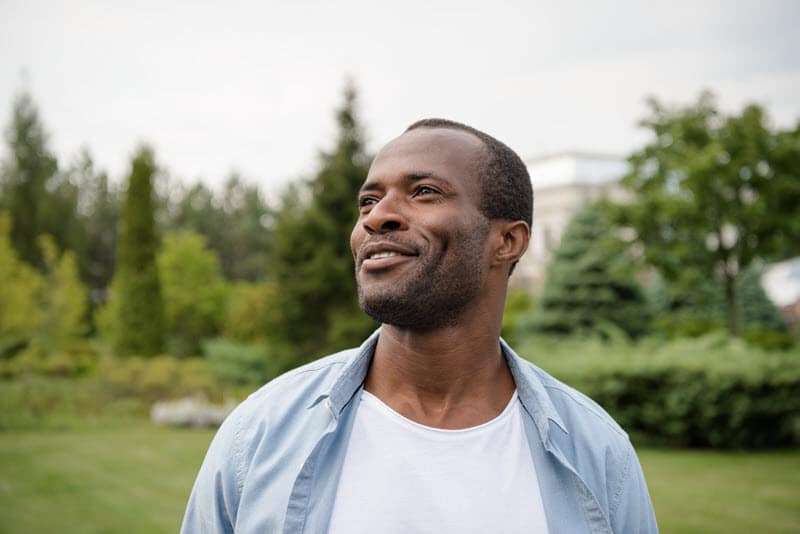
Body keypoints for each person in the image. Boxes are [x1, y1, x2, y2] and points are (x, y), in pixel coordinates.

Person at [181, 119, 659, 533]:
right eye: (368, 201)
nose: (378, 217)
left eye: (424, 192)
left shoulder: (598, 453)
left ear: (507, 241)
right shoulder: (260, 434)